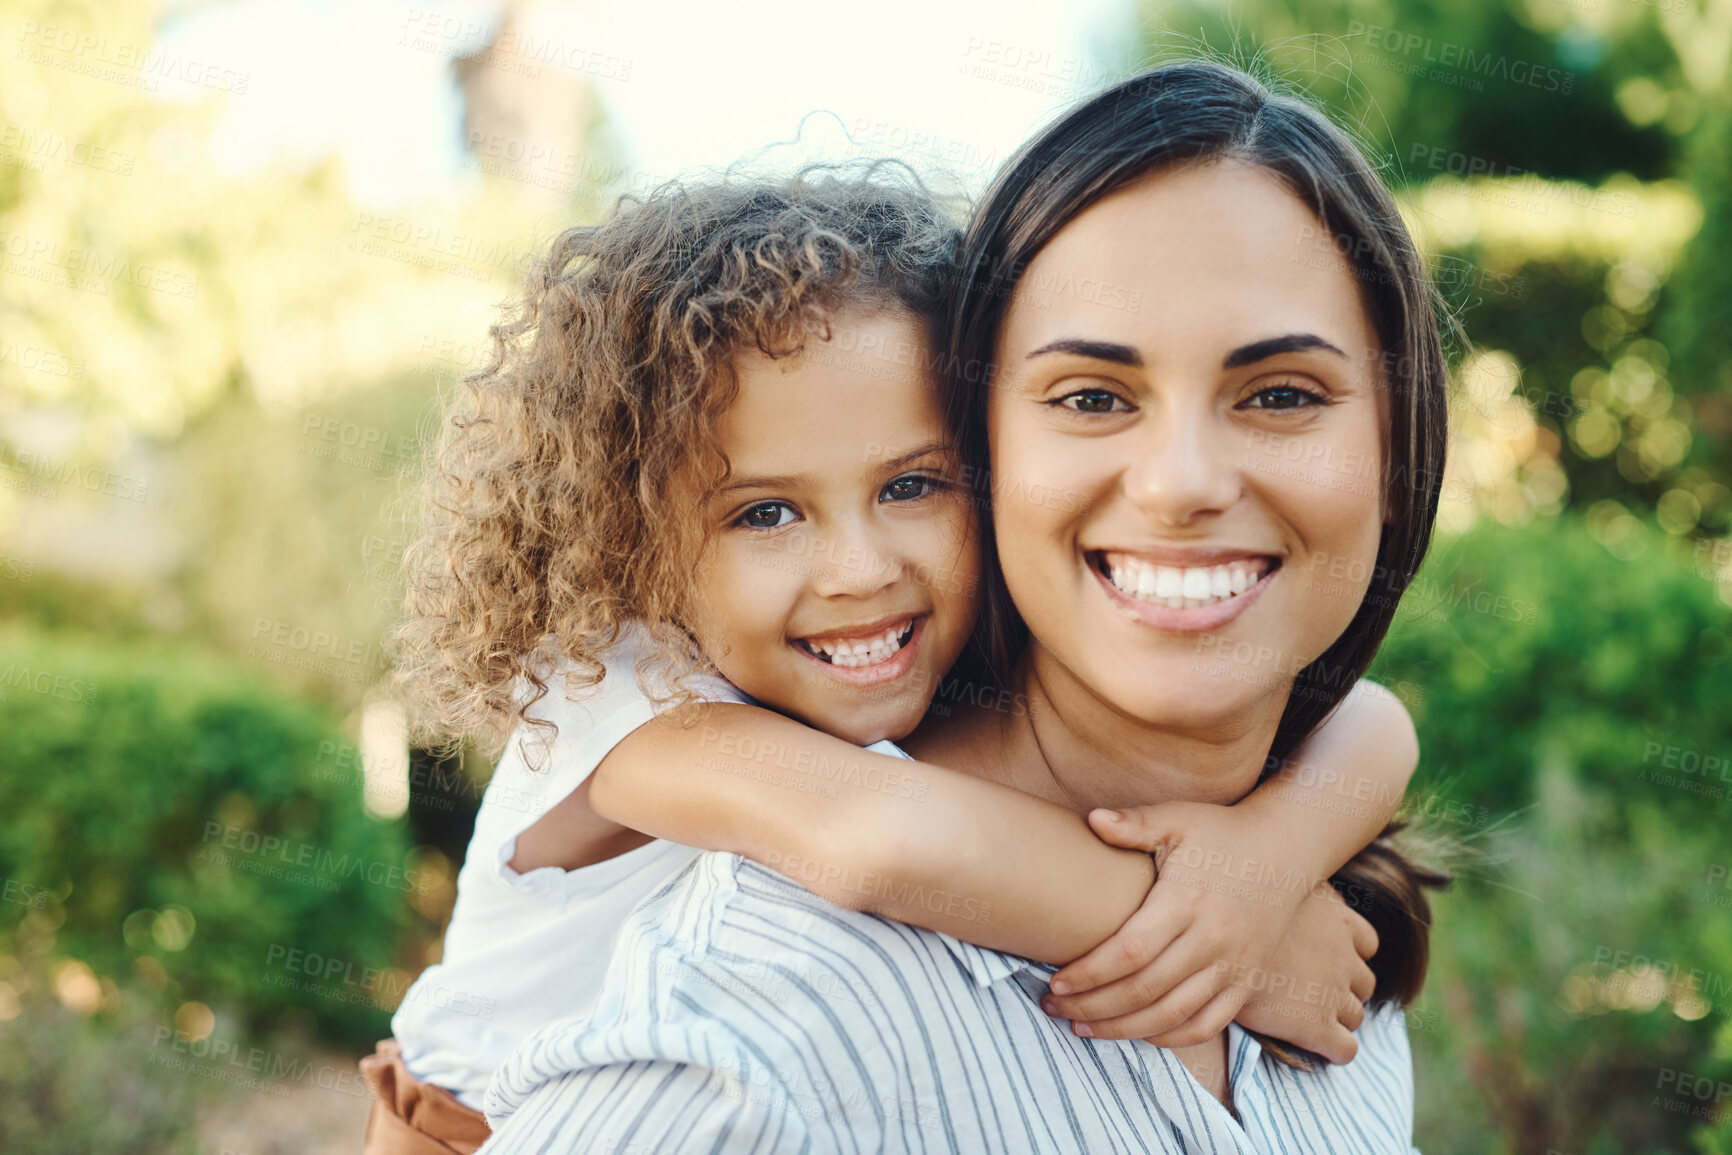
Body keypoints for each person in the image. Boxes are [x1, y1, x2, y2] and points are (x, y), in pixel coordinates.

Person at [478, 59, 1450, 1153]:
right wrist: (1217, 930)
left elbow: (1370, 718)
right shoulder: (748, 1006)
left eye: (1279, 394)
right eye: (1090, 397)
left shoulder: (1335, 949)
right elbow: (877, 837)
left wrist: (1266, 867)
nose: (1182, 484)